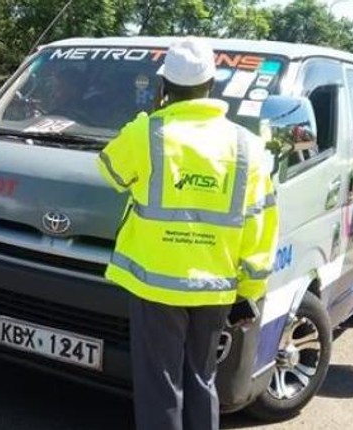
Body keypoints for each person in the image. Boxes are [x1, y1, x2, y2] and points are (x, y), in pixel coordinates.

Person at [95, 37, 279, 430]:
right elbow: (261, 226)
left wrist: (143, 120)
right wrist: (249, 292)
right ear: (211, 85)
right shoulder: (248, 146)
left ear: (164, 87)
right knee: (202, 379)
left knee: (161, 386)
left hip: (156, 287)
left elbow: (109, 170)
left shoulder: (148, 133)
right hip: (216, 288)